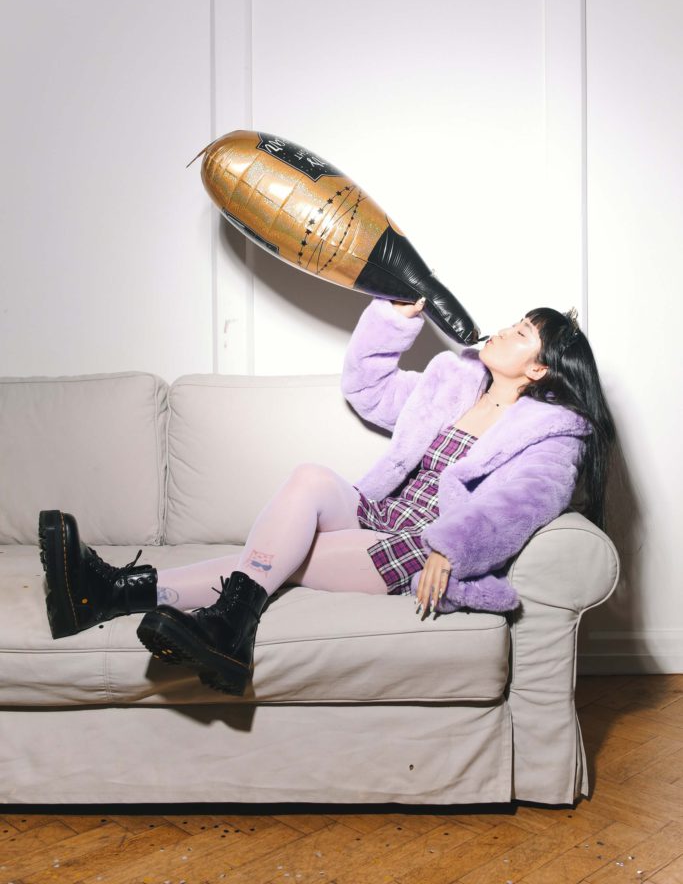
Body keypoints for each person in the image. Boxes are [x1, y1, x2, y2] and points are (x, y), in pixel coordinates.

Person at [38, 294, 615, 697]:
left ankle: (118, 593)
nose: (503, 329)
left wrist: (451, 548)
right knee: (311, 476)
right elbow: (367, 389)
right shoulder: (452, 380)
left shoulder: (551, 433)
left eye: (520, 333)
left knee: (296, 557)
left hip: (422, 543)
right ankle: (214, 627)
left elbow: (522, 505)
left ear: (538, 369)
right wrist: (392, 322)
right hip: (383, 510)